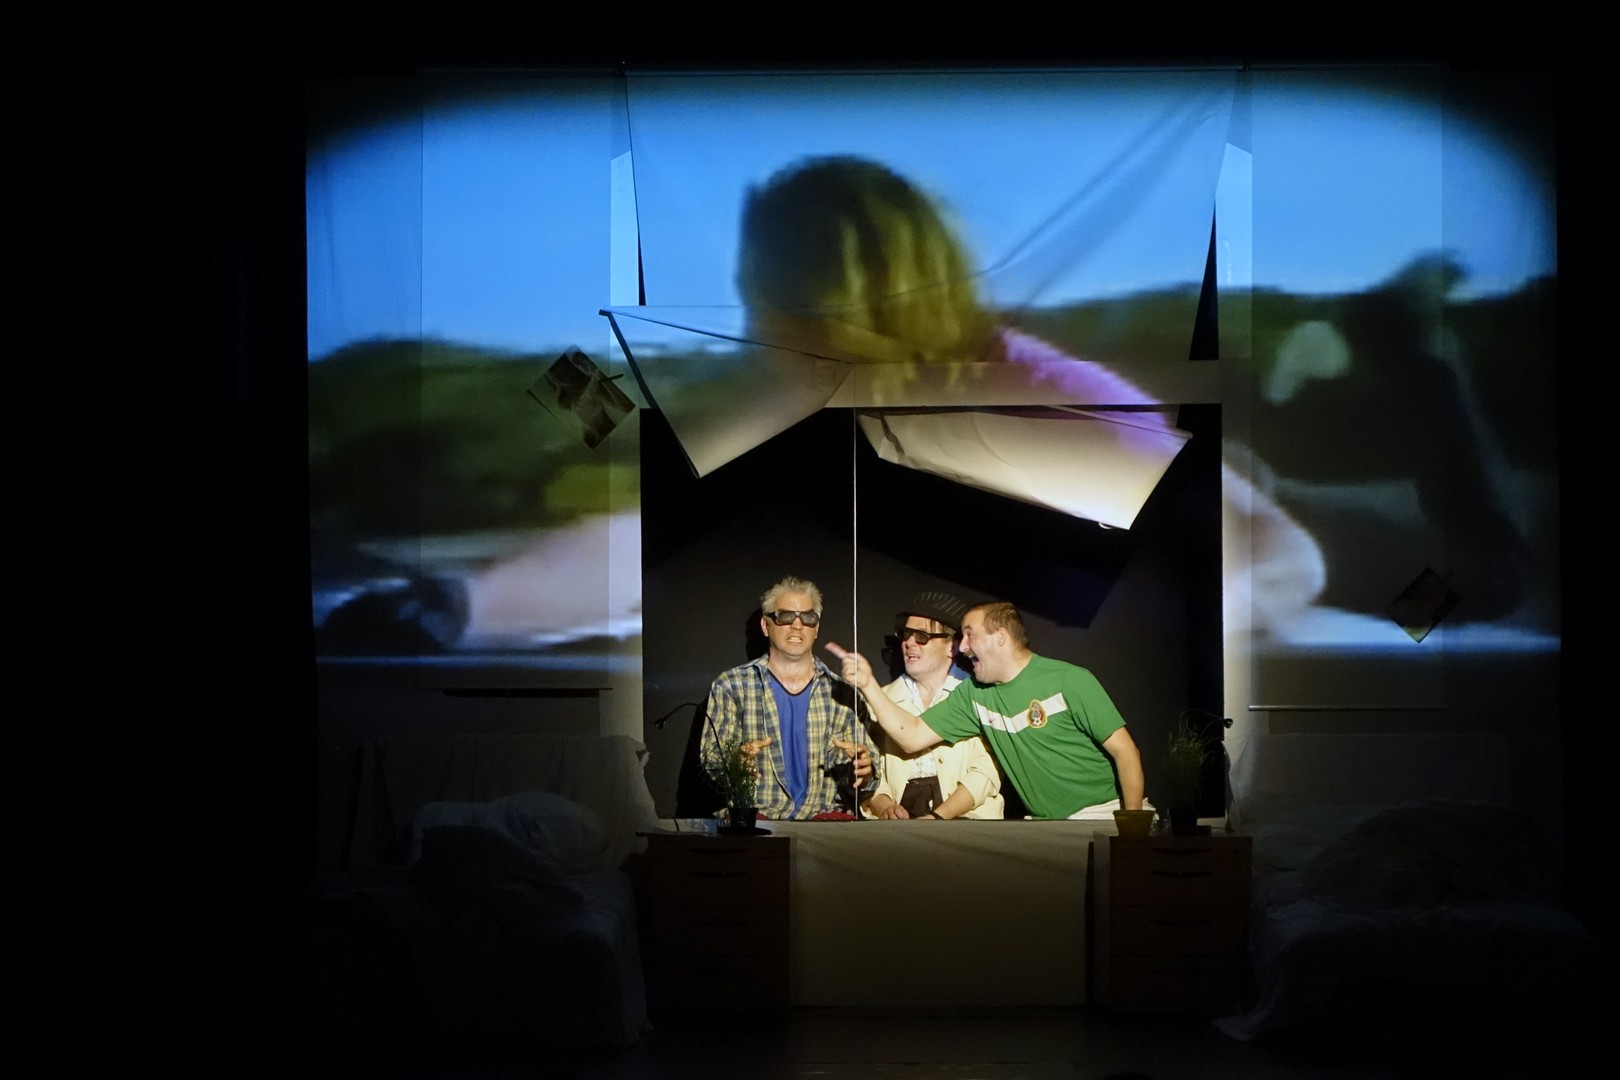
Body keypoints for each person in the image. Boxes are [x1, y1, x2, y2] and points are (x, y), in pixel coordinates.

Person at [736, 155, 1327, 638]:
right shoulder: (824, 416)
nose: (754, 330)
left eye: (766, 300)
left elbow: (1279, 547)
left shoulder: (1045, 395)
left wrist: (1180, 626)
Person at [828, 601, 1145, 820]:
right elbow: (910, 736)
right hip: (1047, 826)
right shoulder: (975, 696)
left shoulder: (1069, 680)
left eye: (969, 634)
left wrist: (1132, 829)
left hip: (1104, 816)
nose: (963, 646)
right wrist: (868, 684)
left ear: (1000, 638)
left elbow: (1125, 751)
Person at [700, 575, 877, 820]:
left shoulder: (844, 693)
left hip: (825, 822)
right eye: (785, 616)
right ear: (766, 626)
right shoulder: (732, 685)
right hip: (757, 820)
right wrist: (735, 763)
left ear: (816, 628)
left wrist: (865, 772)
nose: (797, 625)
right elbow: (711, 759)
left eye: (808, 617)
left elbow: (868, 773)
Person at [862, 590, 1003, 820]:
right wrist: (884, 806)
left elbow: (986, 772)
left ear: (952, 647)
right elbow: (871, 773)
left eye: (921, 636)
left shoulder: (978, 696)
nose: (909, 643)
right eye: (906, 634)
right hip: (900, 823)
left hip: (966, 820)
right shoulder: (881, 700)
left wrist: (938, 817)